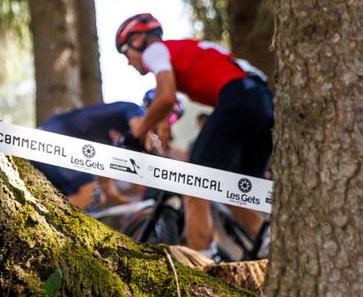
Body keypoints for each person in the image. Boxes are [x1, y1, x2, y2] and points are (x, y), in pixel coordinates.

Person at [115, 13, 273, 254]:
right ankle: (268, 244)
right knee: (233, 188)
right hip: (264, 102)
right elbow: (168, 103)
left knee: (194, 180)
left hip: (238, 96)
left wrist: (139, 132)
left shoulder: (155, 50)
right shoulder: (187, 49)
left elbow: (166, 97)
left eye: (126, 52)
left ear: (139, 40)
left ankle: (202, 261)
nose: (128, 62)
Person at [33, 93, 182, 209]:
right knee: (87, 192)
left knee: (96, 196)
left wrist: (134, 206)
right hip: (55, 140)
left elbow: (108, 189)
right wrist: (154, 146)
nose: (167, 128)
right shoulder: (134, 109)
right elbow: (140, 131)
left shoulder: (115, 142)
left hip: (56, 148)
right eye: (168, 119)